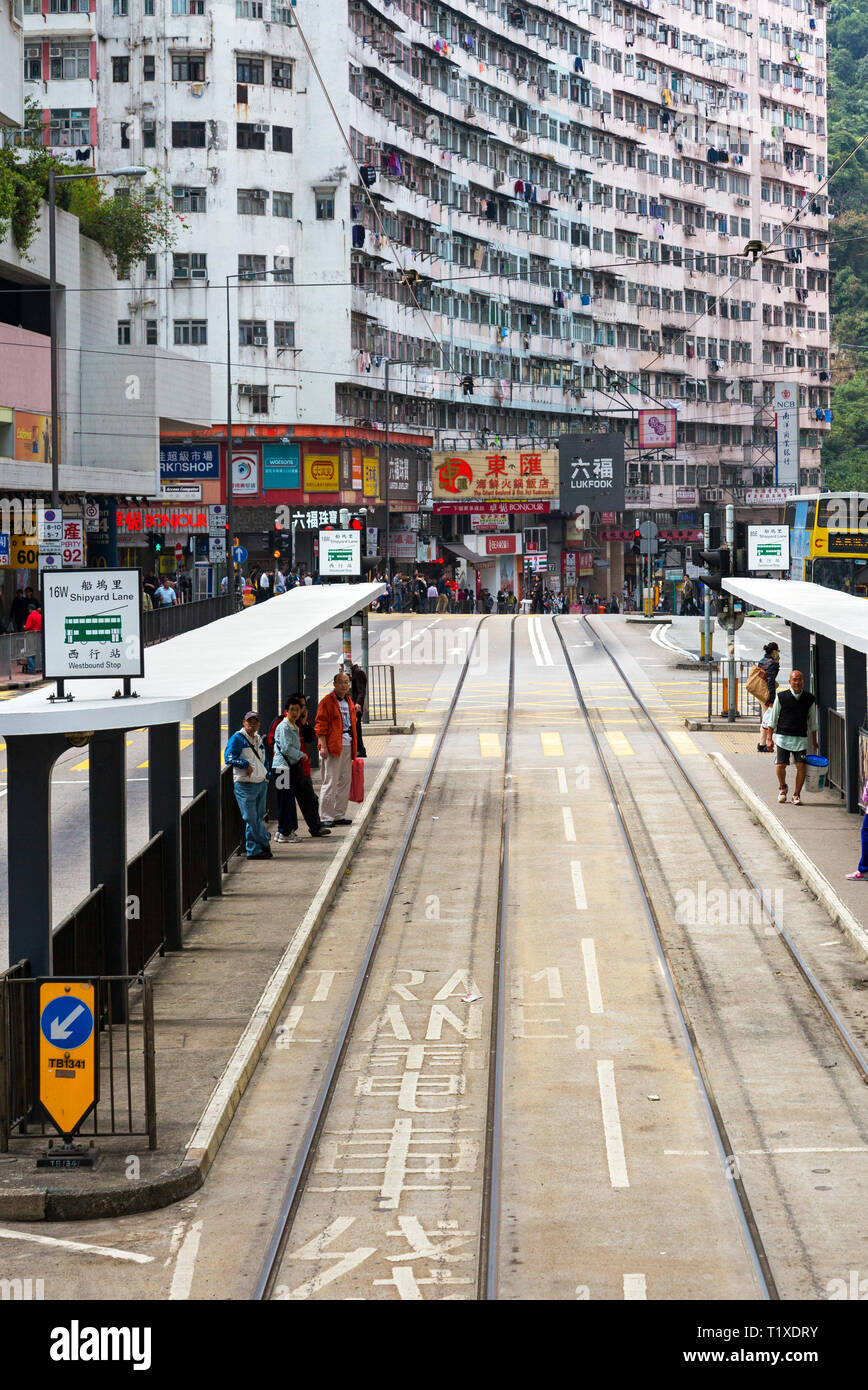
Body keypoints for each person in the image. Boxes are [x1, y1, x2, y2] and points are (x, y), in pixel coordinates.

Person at [271, 697, 331, 840]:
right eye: (292, 710)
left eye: (298, 710)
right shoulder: (284, 726)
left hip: (287, 768)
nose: (295, 713)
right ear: (286, 711)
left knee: (287, 799)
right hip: (282, 768)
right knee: (285, 800)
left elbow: (310, 736)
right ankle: (285, 832)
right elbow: (285, 748)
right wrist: (301, 755)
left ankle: (283, 831)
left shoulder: (295, 725)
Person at [224, 711, 272, 859]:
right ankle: (265, 839)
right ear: (244, 723)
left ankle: (253, 850)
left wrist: (267, 775)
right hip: (245, 784)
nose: (252, 724)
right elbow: (229, 757)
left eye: (255, 721)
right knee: (250, 817)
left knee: (257, 818)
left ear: (259, 723)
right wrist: (244, 764)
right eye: (249, 721)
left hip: (260, 783)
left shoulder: (258, 738)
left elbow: (264, 759)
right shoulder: (237, 739)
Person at [315, 671, 358, 827]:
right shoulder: (327, 701)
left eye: (346, 682)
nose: (344, 685)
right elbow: (320, 726)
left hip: (348, 745)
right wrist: (323, 746)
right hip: (333, 747)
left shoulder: (349, 701)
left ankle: (339, 814)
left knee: (345, 780)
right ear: (334, 684)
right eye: (341, 682)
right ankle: (326, 816)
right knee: (331, 780)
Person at [769, 669, 818, 807]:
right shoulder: (781, 697)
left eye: (799, 679)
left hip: (800, 738)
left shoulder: (809, 699)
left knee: (801, 766)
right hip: (782, 737)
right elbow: (773, 719)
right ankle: (783, 787)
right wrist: (769, 738)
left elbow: (813, 722)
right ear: (789, 682)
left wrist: (814, 741)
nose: (797, 682)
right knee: (780, 765)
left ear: (803, 681)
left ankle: (796, 794)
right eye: (794, 680)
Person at [756, 642, 781, 753]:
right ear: (774, 651)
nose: (777, 654)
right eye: (777, 651)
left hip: (760, 692)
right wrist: (771, 699)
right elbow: (770, 681)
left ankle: (763, 743)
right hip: (767, 694)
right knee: (767, 720)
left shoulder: (762, 660)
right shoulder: (771, 663)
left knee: (765, 717)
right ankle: (762, 745)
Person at [351, 661, 368, 759]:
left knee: (356, 729)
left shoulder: (358, 673)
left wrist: (358, 703)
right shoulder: (350, 673)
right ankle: (359, 749)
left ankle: (360, 750)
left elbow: (361, 691)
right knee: (355, 729)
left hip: (356, 707)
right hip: (353, 706)